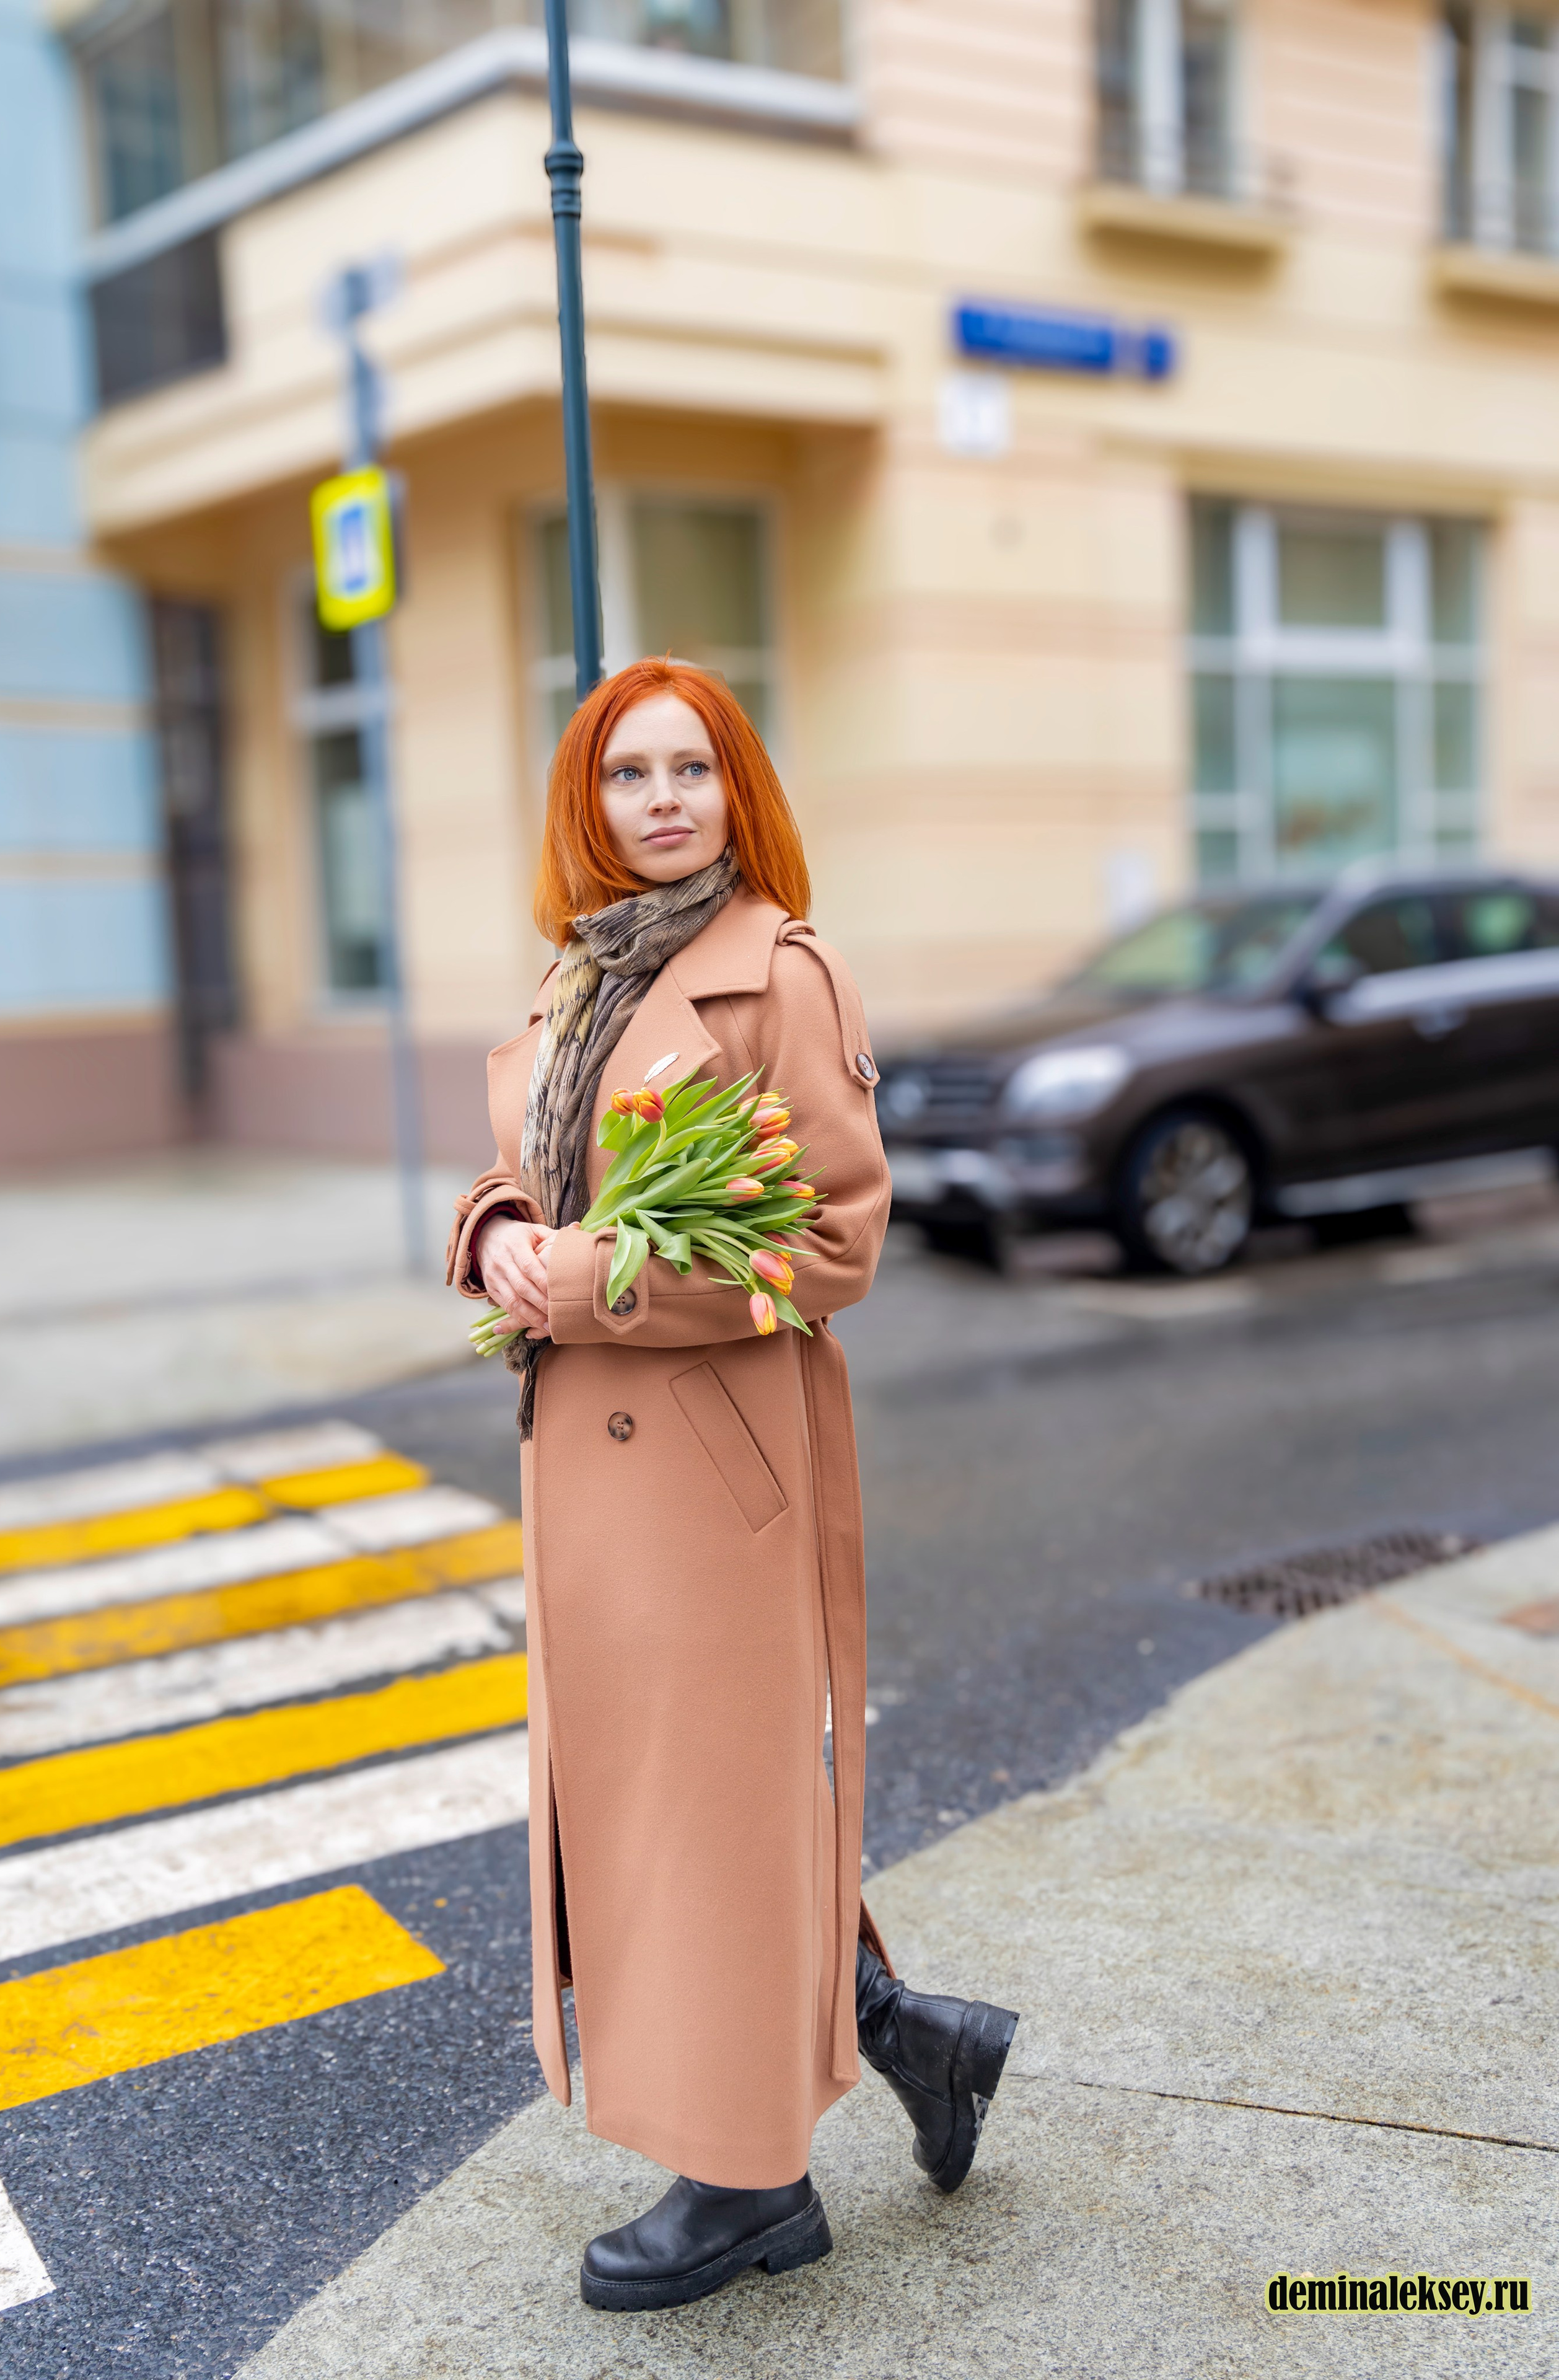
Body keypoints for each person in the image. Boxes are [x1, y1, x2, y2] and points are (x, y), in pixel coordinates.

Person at [447, 656, 1017, 2314]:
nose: (666, 798)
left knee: (702, 1809)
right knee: (679, 1808)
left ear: (737, 786)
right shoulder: (578, 978)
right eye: (631, 775)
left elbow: (836, 1240)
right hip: (598, 1479)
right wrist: (493, 1239)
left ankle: (750, 2185)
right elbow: (526, 1176)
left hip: (710, 1468)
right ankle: (914, 2035)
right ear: (591, 806)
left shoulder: (779, 973)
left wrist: (595, 1285)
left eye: (694, 767)